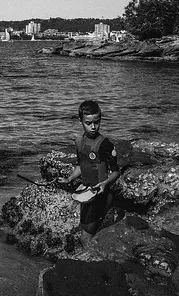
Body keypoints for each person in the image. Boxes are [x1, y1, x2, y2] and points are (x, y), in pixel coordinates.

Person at [57, 100, 120, 246]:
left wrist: (105, 183)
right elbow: (81, 166)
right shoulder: (79, 142)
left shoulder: (105, 145)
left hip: (101, 194)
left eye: (96, 122)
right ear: (80, 121)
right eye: (88, 123)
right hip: (86, 192)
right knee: (82, 228)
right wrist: (69, 179)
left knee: (85, 237)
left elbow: (116, 172)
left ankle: (92, 257)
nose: (93, 127)